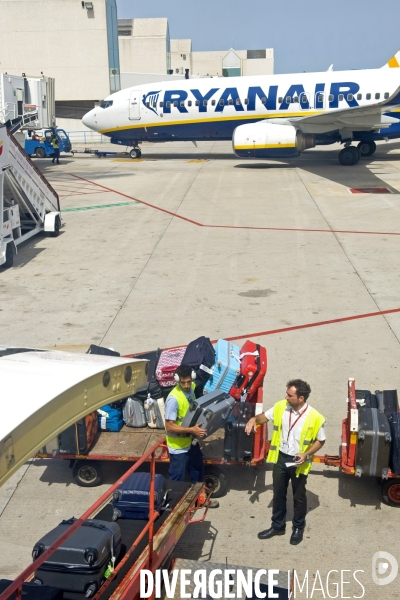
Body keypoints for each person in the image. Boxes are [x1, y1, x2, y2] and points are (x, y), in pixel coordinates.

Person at [245, 379, 326, 545]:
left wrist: (306, 454)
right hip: (281, 458)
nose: (286, 397)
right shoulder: (281, 406)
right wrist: (253, 419)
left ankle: (298, 527)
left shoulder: (315, 417)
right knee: (279, 493)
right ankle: (277, 526)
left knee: (298, 496)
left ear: (301, 398)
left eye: (290, 395)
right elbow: (264, 417)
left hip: (298, 461)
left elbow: (321, 440)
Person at [164, 364, 219, 508]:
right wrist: (192, 430)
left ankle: (200, 499)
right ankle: (173, 508)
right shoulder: (173, 399)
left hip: (190, 442)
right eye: (183, 382)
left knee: (198, 470)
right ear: (177, 380)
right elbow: (169, 426)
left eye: (189, 381)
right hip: (178, 448)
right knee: (177, 480)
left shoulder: (192, 388)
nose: (187, 385)